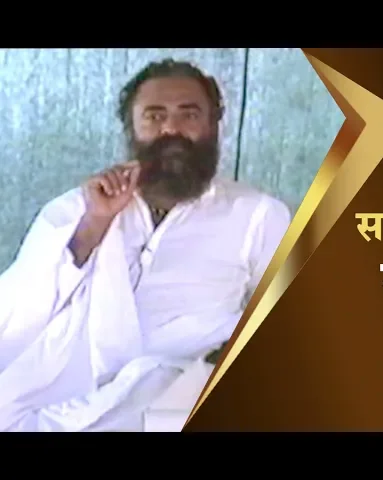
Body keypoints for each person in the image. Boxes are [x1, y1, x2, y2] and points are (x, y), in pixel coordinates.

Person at [0, 58, 291, 432]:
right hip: (64, 392)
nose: (172, 129)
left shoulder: (258, 214)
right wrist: (96, 222)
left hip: (178, 393)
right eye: (154, 116)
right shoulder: (78, 207)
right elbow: (18, 309)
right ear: (132, 129)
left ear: (213, 125)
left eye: (189, 115)